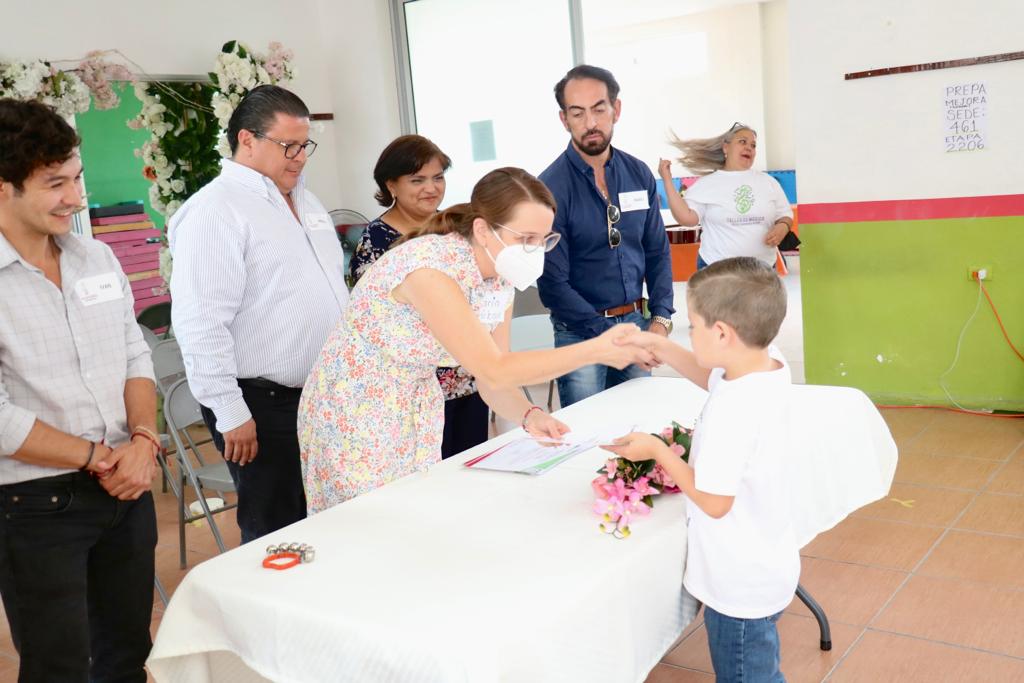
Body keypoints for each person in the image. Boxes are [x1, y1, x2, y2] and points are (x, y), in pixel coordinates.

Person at [298, 167, 654, 513]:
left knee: (411, 517)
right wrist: (596, 349)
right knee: (364, 527)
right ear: (483, 230)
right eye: (525, 239)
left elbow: (492, 378)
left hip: (413, 405)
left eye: (544, 239)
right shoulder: (430, 268)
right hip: (356, 409)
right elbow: (496, 369)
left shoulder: (500, 277)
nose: (536, 251)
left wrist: (529, 415)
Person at [0, 98, 159, 682]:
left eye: (76, 179)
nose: (75, 197)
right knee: (59, 667)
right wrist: (99, 457)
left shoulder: (96, 257)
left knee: (127, 655)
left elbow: (134, 355)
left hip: (125, 490)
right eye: (54, 183)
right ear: (3, 189)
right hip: (36, 505)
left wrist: (143, 440)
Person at [170, 85, 349, 543]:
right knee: (280, 529)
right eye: (287, 145)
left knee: (332, 517)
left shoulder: (306, 202)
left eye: (304, 144)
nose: (299, 156)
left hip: (325, 393)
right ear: (247, 140)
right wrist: (230, 411)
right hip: (262, 403)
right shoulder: (215, 211)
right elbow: (200, 322)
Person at [605, 257, 795, 683]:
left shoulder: (735, 411)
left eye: (692, 326)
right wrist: (663, 347)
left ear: (723, 333)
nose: (690, 335)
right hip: (767, 562)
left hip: (739, 586)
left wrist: (657, 450)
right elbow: (712, 374)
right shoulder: (765, 363)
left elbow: (713, 502)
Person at [538, 64, 675, 408]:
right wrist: (608, 337)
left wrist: (659, 319)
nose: (591, 123)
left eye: (599, 108)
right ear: (563, 119)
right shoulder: (549, 188)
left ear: (616, 109)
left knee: (641, 424)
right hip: (578, 333)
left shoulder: (638, 173)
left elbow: (657, 251)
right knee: (586, 436)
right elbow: (553, 284)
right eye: (578, 113)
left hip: (634, 322)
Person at [351, 135, 488, 459]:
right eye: (418, 180)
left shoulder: (456, 228)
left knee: (473, 474)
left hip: (468, 377)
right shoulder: (376, 241)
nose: (431, 188)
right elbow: (374, 320)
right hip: (412, 390)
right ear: (391, 185)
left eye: (438, 177)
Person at [658, 122, 794, 270]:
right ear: (726, 147)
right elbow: (687, 218)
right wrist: (667, 181)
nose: (749, 147)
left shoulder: (769, 182)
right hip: (717, 272)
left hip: (762, 272)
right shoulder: (706, 184)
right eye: (742, 142)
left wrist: (782, 226)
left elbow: (785, 214)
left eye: (753, 145)